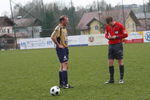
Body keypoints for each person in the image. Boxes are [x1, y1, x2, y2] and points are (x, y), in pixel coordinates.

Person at [51, 15, 73, 88]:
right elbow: (52, 37)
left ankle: (61, 83)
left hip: (65, 48)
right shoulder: (58, 28)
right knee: (65, 64)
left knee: (62, 65)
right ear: (62, 21)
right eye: (66, 20)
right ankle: (65, 84)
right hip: (61, 49)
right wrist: (58, 45)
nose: (68, 21)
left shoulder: (64, 28)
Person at [105, 16, 128, 84]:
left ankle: (121, 79)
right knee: (110, 62)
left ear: (112, 21)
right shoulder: (107, 26)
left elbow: (126, 34)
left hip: (118, 45)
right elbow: (106, 34)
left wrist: (117, 36)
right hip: (110, 45)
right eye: (108, 24)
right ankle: (111, 80)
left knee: (120, 61)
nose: (109, 25)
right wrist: (108, 37)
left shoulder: (120, 25)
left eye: (110, 24)